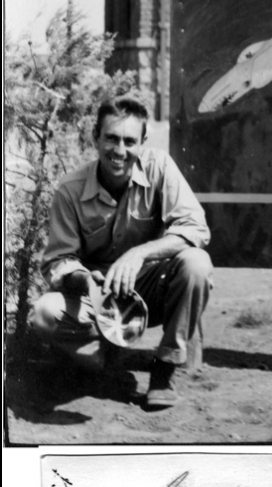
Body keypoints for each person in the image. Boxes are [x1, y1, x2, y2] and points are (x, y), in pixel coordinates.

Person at [31, 96, 212, 408]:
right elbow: (57, 262)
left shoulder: (160, 168)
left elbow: (196, 228)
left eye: (130, 141)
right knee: (43, 314)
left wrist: (139, 254)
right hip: (94, 297)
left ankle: (163, 370)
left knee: (197, 264)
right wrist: (86, 281)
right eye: (111, 138)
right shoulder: (70, 191)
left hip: (149, 290)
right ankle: (97, 356)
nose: (119, 151)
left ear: (143, 142)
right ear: (95, 138)